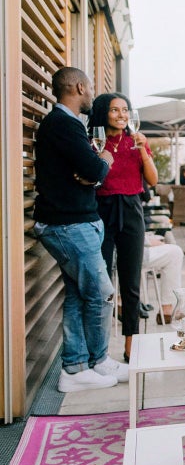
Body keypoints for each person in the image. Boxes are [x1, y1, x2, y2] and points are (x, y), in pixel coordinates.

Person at [32, 66, 128, 392]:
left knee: (77, 295)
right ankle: (95, 362)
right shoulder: (62, 125)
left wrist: (94, 167)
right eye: (88, 88)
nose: (91, 95)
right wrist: (103, 161)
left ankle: (76, 367)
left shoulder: (70, 126)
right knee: (102, 293)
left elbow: (89, 172)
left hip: (77, 223)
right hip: (68, 226)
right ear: (77, 87)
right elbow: (94, 170)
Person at [89, 92, 159, 362]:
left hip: (131, 210)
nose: (122, 115)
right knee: (102, 283)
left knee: (130, 284)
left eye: (125, 110)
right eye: (115, 110)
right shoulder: (93, 142)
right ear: (103, 113)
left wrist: (142, 149)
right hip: (101, 210)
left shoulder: (136, 141)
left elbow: (152, 180)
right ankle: (100, 347)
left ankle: (132, 345)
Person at [143, 232, 184, 325]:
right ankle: (167, 310)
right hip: (128, 248)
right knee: (175, 252)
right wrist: (147, 241)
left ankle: (120, 300)